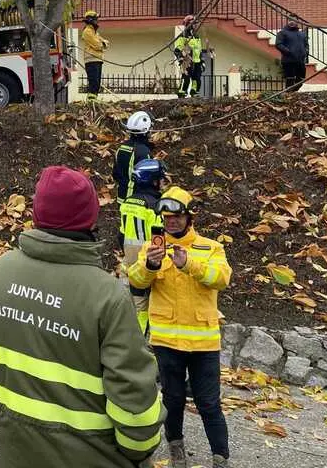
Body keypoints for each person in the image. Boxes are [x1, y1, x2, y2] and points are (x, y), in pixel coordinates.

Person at [0, 166, 164, 468]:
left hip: (16, 453)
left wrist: (9, 409)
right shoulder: (107, 295)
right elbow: (136, 409)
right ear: (89, 218)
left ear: (37, 212)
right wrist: (136, 454)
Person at [128, 187, 233, 468]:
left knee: (209, 403)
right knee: (172, 400)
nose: (171, 221)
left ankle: (220, 458)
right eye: (167, 217)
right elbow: (136, 282)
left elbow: (221, 278)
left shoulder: (210, 248)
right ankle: (176, 449)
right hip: (167, 340)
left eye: (177, 216)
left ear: (189, 217)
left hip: (204, 342)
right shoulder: (152, 248)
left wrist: (190, 264)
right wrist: (150, 265)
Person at [118, 159, 167, 335]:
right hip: (147, 262)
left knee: (130, 304)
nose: (163, 182)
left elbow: (121, 234)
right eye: (161, 178)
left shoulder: (127, 202)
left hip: (129, 263)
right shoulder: (155, 207)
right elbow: (159, 238)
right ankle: (139, 342)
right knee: (143, 307)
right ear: (152, 180)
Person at [113, 111, 153, 204]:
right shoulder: (143, 152)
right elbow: (147, 180)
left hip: (121, 198)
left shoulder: (121, 147)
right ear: (146, 130)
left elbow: (115, 174)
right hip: (136, 202)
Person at [173, 16, 212, 98]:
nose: (195, 25)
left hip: (197, 61)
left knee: (197, 79)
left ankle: (194, 92)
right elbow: (177, 49)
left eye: (196, 23)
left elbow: (199, 50)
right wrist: (181, 59)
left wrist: (202, 62)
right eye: (194, 23)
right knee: (186, 78)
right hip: (187, 61)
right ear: (188, 24)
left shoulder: (196, 36)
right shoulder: (183, 36)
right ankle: (182, 92)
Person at [81, 10, 109, 99]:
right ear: (90, 20)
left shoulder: (94, 32)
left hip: (97, 59)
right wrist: (103, 43)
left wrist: (103, 43)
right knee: (94, 83)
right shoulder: (87, 32)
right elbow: (98, 45)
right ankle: (91, 101)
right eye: (96, 19)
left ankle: (94, 99)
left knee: (97, 83)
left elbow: (106, 43)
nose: (98, 21)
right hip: (91, 60)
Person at [276, 20, 309, 91]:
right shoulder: (282, 33)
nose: (292, 23)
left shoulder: (302, 34)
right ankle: (289, 93)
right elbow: (279, 44)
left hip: (300, 60)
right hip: (288, 60)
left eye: (294, 21)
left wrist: (305, 52)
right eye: (291, 21)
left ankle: (293, 91)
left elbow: (306, 45)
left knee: (301, 79)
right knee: (290, 78)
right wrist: (288, 52)